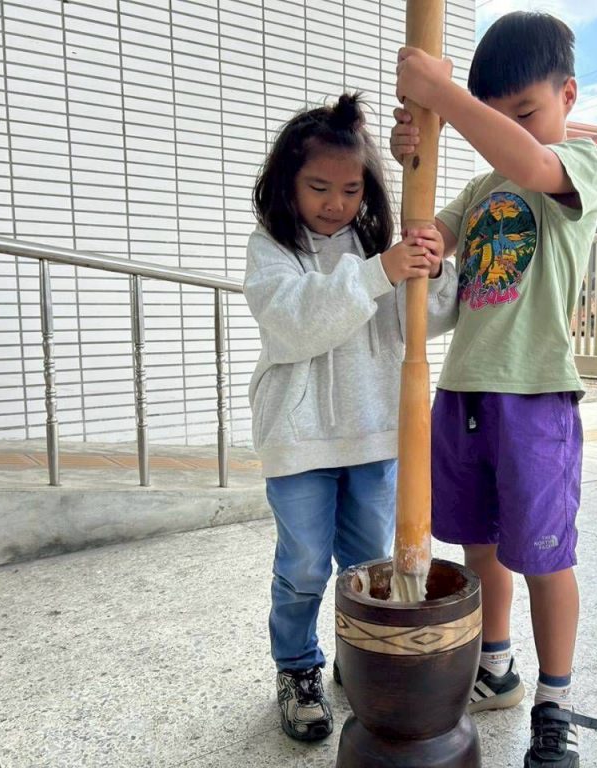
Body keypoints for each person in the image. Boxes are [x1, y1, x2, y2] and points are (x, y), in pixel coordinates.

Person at [392, 12, 597, 768]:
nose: (512, 129)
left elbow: (528, 161)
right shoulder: (483, 187)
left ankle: (556, 702)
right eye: (498, 112)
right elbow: (435, 237)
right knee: (480, 548)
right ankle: (497, 665)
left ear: (567, 94)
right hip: (463, 392)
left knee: (545, 554)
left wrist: (447, 99)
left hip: (536, 394)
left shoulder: (579, 163)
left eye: (526, 112)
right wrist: (413, 149)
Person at [244, 92, 457, 742]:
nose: (335, 203)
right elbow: (292, 325)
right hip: (299, 443)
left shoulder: (373, 244)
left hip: (373, 436)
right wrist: (378, 273)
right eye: (318, 187)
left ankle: (355, 655)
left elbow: (423, 321)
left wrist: (431, 268)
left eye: (349, 188)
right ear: (287, 182)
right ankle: (298, 668)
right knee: (305, 565)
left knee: (367, 564)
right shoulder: (273, 248)